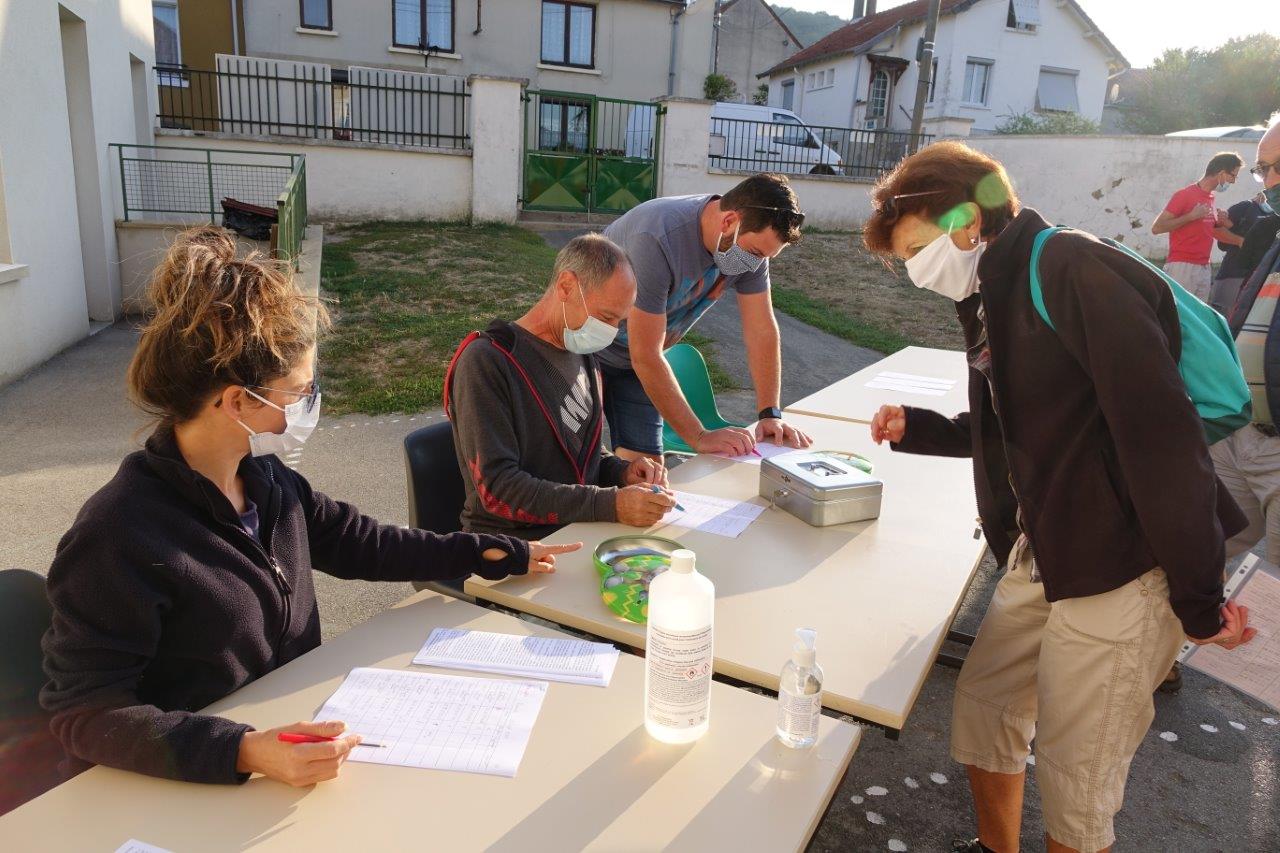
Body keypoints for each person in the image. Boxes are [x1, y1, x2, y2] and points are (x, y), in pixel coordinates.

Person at [40, 228, 579, 787]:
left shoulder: (267, 480)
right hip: (193, 781)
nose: (308, 407)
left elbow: (359, 542)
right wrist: (244, 751)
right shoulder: (118, 535)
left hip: (287, 746)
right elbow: (85, 713)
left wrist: (490, 553)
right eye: (298, 394)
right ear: (236, 401)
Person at [863, 141, 1255, 853]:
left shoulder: (1069, 266)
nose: (918, 272)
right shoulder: (991, 291)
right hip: (1047, 547)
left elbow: (1163, 440)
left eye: (917, 248)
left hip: (1121, 564)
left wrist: (1199, 599)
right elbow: (1025, 423)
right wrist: (919, 427)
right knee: (986, 709)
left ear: (965, 220)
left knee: (1078, 780)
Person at [445, 234, 676, 539]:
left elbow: (582, 453)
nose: (610, 331)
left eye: (619, 322)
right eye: (606, 317)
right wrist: (611, 504)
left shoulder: (583, 353)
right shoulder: (487, 362)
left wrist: (621, 472)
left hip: (573, 529)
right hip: (512, 546)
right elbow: (498, 490)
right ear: (566, 286)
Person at [598, 173, 814, 460]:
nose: (755, 263)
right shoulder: (656, 236)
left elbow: (761, 330)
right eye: (755, 253)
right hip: (585, 350)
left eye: (765, 257)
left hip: (638, 363)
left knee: (644, 474)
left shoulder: (748, 250)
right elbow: (645, 354)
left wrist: (769, 414)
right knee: (567, 464)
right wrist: (699, 436)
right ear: (728, 222)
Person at [1214, 114, 1280, 571]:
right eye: (1264, 169)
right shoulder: (1275, 236)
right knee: (1196, 560)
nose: (1269, 181)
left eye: (1278, 167)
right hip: (1239, 434)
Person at [1151, 151, 1244, 302]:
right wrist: (1190, 216)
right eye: (1233, 176)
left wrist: (1222, 223)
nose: (1233, 181)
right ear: (1221, 173)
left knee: (1197, 318)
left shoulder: (1211, 198)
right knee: (1178, 316)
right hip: (1182, 266)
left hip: (1204, 267)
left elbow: (1209, 229)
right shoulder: (1184, 195)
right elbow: (1157, 228)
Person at [1208, 191, 1273, 315]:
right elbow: (1216, 231)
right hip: (1233, 277)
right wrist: (1240, 241)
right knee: (1225, 324)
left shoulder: (1274, 215)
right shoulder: (1246, 207)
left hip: (1260, 279)